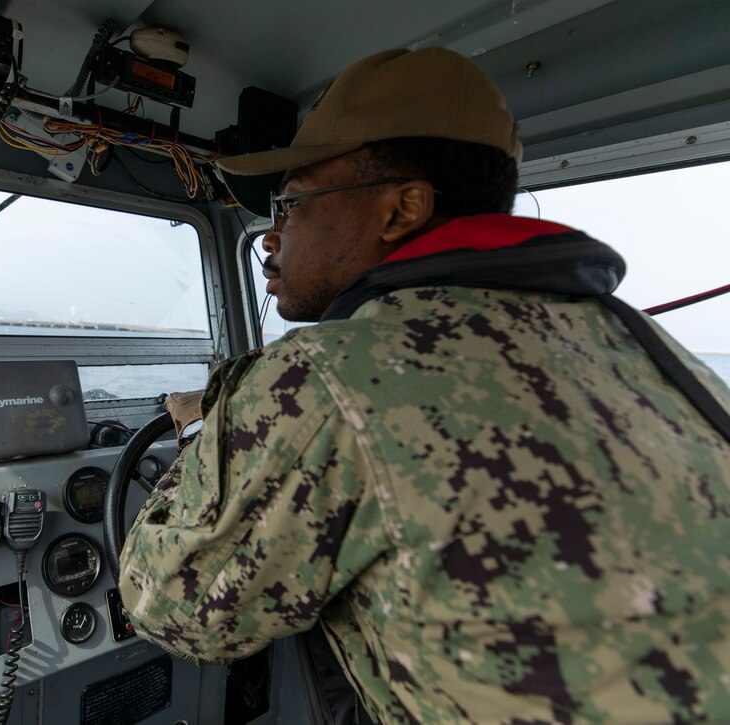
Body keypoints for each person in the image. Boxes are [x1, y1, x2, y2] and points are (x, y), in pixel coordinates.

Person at [118, 47, 730, 723]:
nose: (270, 237)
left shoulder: (327, 375)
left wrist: (203, 433)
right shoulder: (649, 345)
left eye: (291, 203)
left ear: (402, 208)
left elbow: (169, 606)